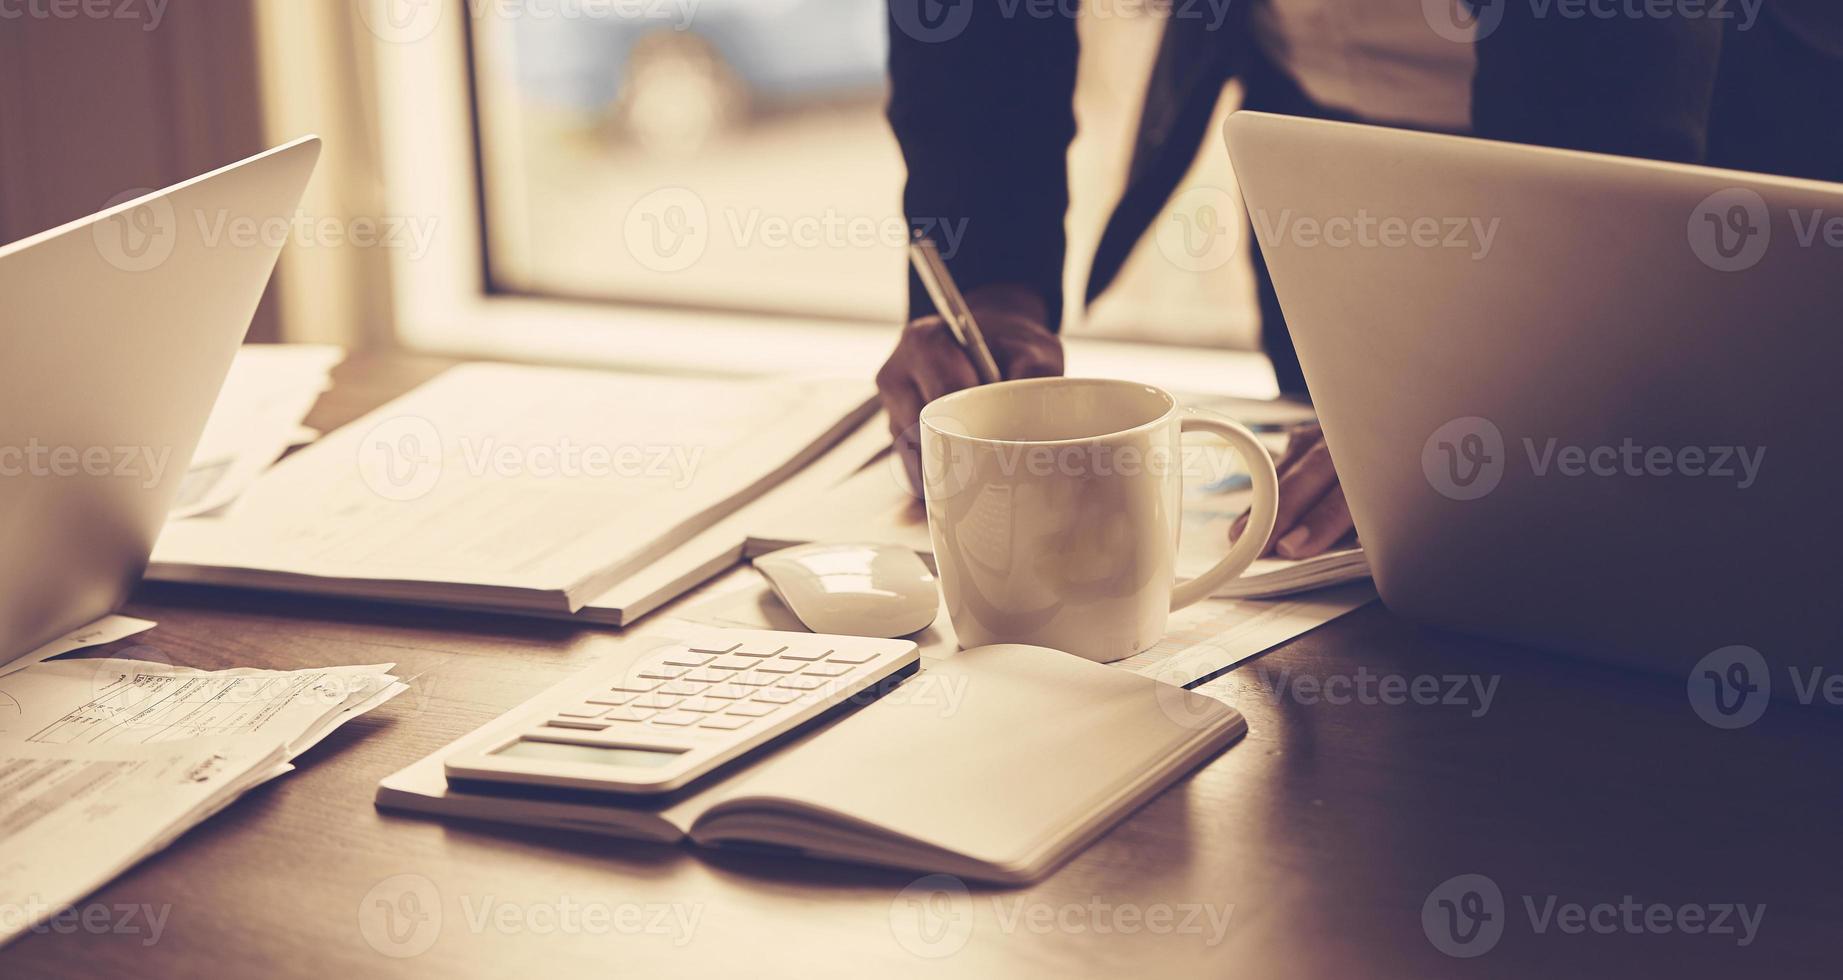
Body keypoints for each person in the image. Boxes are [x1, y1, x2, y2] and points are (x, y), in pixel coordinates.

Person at [876, 0, 1843, 558]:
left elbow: (1611, 66)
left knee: (1675, 557)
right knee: (1358, 582)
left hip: (1707, 156)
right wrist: (988, 279)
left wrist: (1514, 366)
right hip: (1327, 157)